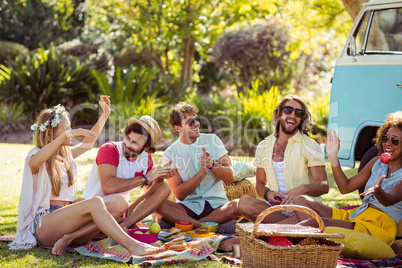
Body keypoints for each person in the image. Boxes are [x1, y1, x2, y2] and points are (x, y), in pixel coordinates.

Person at [9, 96, 164, 256]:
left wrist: (105, 113)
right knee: (95, 202)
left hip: (65, 217)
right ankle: (133, 246)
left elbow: (88, 143)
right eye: (67, 129)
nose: (71, 132)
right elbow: (34, 164)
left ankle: (71, 238)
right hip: (43, 225)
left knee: (119, 202)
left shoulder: (64, 156)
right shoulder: (35, 155)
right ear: (53, 132)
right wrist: (64, 137)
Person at [292, 111, 402, 246]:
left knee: (312, 223)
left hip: (377, 226)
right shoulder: (376, 162)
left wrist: (377, 190)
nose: (388, 144)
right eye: (385, 138)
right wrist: (333, 156)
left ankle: (296, 243)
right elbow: (345, 187)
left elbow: (389, 201)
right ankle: (317, 241)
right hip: (358, 215)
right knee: (300, 202)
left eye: (395, 141)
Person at [236, 95, 329, 223]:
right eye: (288, 110)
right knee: (244, 203)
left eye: (298, 113)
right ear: (280, 113)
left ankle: (278, 229)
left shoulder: (310, 145)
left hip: (302, 210)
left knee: (301, 215)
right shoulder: (264, 145)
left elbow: (324, 185)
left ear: (301, 119)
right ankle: (286, 228)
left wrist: (303, 189)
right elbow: (260, 184)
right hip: (276, 210)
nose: (292, 115)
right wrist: (268, 194)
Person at [154, 102, 242, 229]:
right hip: (187, 207)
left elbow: (230, 176)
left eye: (197, 119)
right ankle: (204, 226)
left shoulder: (213, 140)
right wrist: (201, 173)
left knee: (238, 206)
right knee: (157, 204)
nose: (197, 124)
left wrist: (212, 164)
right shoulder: (170, 154)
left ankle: (189, 225)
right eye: (190, 122)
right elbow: (179, 194)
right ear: (178, 128)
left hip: (217, 207)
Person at [82, 115, 173, 231]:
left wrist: (160, 177)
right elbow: (108, 187)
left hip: (122, 211)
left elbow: (150, 195)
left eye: (135, 143)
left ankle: (124, 226)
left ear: (146, 147)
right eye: (128, 138)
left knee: (163, 188)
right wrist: (145, 178)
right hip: (94, 212)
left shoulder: (146, 159)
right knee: (120, 203)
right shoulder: (110, 149)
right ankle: (116, 227)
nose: (128, 145)